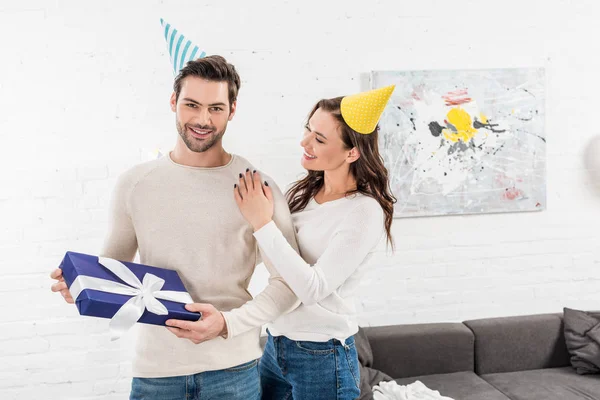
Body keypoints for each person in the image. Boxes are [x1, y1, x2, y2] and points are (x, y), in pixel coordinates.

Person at [50, 55, 301, 400]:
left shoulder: (258, 189)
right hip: (156, 374)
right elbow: (115, 271)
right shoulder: (136, 184)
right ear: (173, 102)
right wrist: (81, 284)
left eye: (215, 108)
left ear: (232, 110)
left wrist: (228, 323)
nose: (202, 119)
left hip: (233, 372)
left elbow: (291, 283)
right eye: (191, 105)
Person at [234, 86, 397, 399]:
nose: (305, 142)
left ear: (352, 152)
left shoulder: (364, 211)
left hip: (322, 355)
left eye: (320, 139)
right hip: (276, 342)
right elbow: (271, 256)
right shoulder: (303, 196)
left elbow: (313, 288)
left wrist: (263, 222)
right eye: (308, 130)